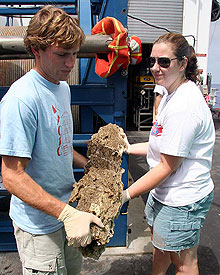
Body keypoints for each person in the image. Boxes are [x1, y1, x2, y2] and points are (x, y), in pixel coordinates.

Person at [0, 5, 104, 275]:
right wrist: (67, 213)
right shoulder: (22, 99)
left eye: (74, 54)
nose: (71, 64)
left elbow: (61, 145)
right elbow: (12, 176)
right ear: (36, 50)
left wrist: (93, 169)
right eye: (61, 55)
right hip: (39, 227)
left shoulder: (62, 88)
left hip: (68, 215)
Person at [122, 33, 215, 275]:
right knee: (161, 248)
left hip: (182, 200)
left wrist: (126, 194)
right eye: (152, 61)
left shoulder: (185, 106)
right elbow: (161, 145)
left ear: (183, 63)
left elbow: (166, 166)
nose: (155, 68)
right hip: (164, 193)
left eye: (164, 62)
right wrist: (129, 147)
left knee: (183, 263)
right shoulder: (168, 95)